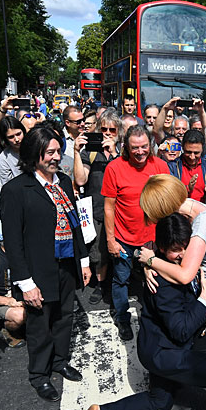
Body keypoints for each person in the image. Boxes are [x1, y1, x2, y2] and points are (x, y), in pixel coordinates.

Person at [69, 213, 206, 410]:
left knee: (159, 402)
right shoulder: (162, 281)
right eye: (175, 250)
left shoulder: (172, 263)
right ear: (161, 248)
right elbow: (181, 330)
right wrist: (205, 297)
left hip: (163, 344)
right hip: (165, 353)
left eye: (186, 247)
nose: (183, 255)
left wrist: (149, 262)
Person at [0, 127, 92, 401]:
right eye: (49, 152)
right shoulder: (16, 190)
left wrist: (83, 260)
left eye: (57, 151)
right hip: (37, 271)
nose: (55, 157)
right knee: (40, 326)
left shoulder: (62, 182)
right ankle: (39, 375)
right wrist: (26, 284)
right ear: (33, 154)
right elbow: (13, 243)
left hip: (65, 265)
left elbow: (75, 224)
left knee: (65, 318)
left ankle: (59, 361)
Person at [138, 174, 206, 356]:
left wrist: (150, 261)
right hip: (200, 287)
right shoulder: (192, 208)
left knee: (199, 349)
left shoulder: (202, 226)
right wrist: (149, 265)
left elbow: (185, 275)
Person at [100, 125, 170, 341]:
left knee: (156, 280)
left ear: (151, 145)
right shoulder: (114, 168)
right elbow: (109, 207)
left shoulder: (160, 166)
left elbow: (167, 202)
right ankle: (122, 318)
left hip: (153, 240)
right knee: (121, 280)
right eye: (135, 148)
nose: (140, 152)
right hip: (123, 238)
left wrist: (161, 239)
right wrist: (110, 240)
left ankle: (156, 317)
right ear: (125, 147)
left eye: (144, 147)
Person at [73, 109, 122, 304]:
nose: (108, 133)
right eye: (104, 129)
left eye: (112, 130)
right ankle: (101, 285)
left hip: (121, 210)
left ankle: (118, 283)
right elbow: (80, 179)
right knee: (99, 252)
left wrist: (114, 154)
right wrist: (77, 152)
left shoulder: (125, 153)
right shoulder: (90, 152)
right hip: (98, 210)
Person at [168, 130, 206, 204]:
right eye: (188, 152)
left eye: (196, 153)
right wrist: (187, 189)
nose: (192, 157)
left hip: (203, 212)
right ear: (182, 147)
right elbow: (169, 194)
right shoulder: (172, 167)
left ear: (202, 149)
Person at [0, 117, 25, 186]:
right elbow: (9, 185)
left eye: (18, 134)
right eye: (11, 137)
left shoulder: (34, 147)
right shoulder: (3, 159)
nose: (17, 139)